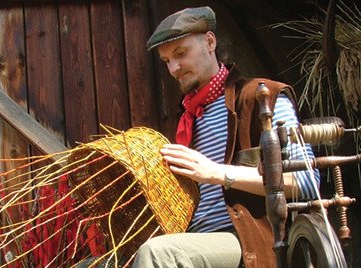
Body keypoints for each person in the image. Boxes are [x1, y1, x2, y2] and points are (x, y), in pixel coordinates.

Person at [132, 6, 320, 268]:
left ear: (210, 42)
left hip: (250, 240)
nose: (174, 68)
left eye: (180, 54)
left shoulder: (261, 97)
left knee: (160, 254)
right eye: (166, 61)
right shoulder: (189, 118)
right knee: (95, 264)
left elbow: (306, 182)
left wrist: (217, 173)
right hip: (193, 239)